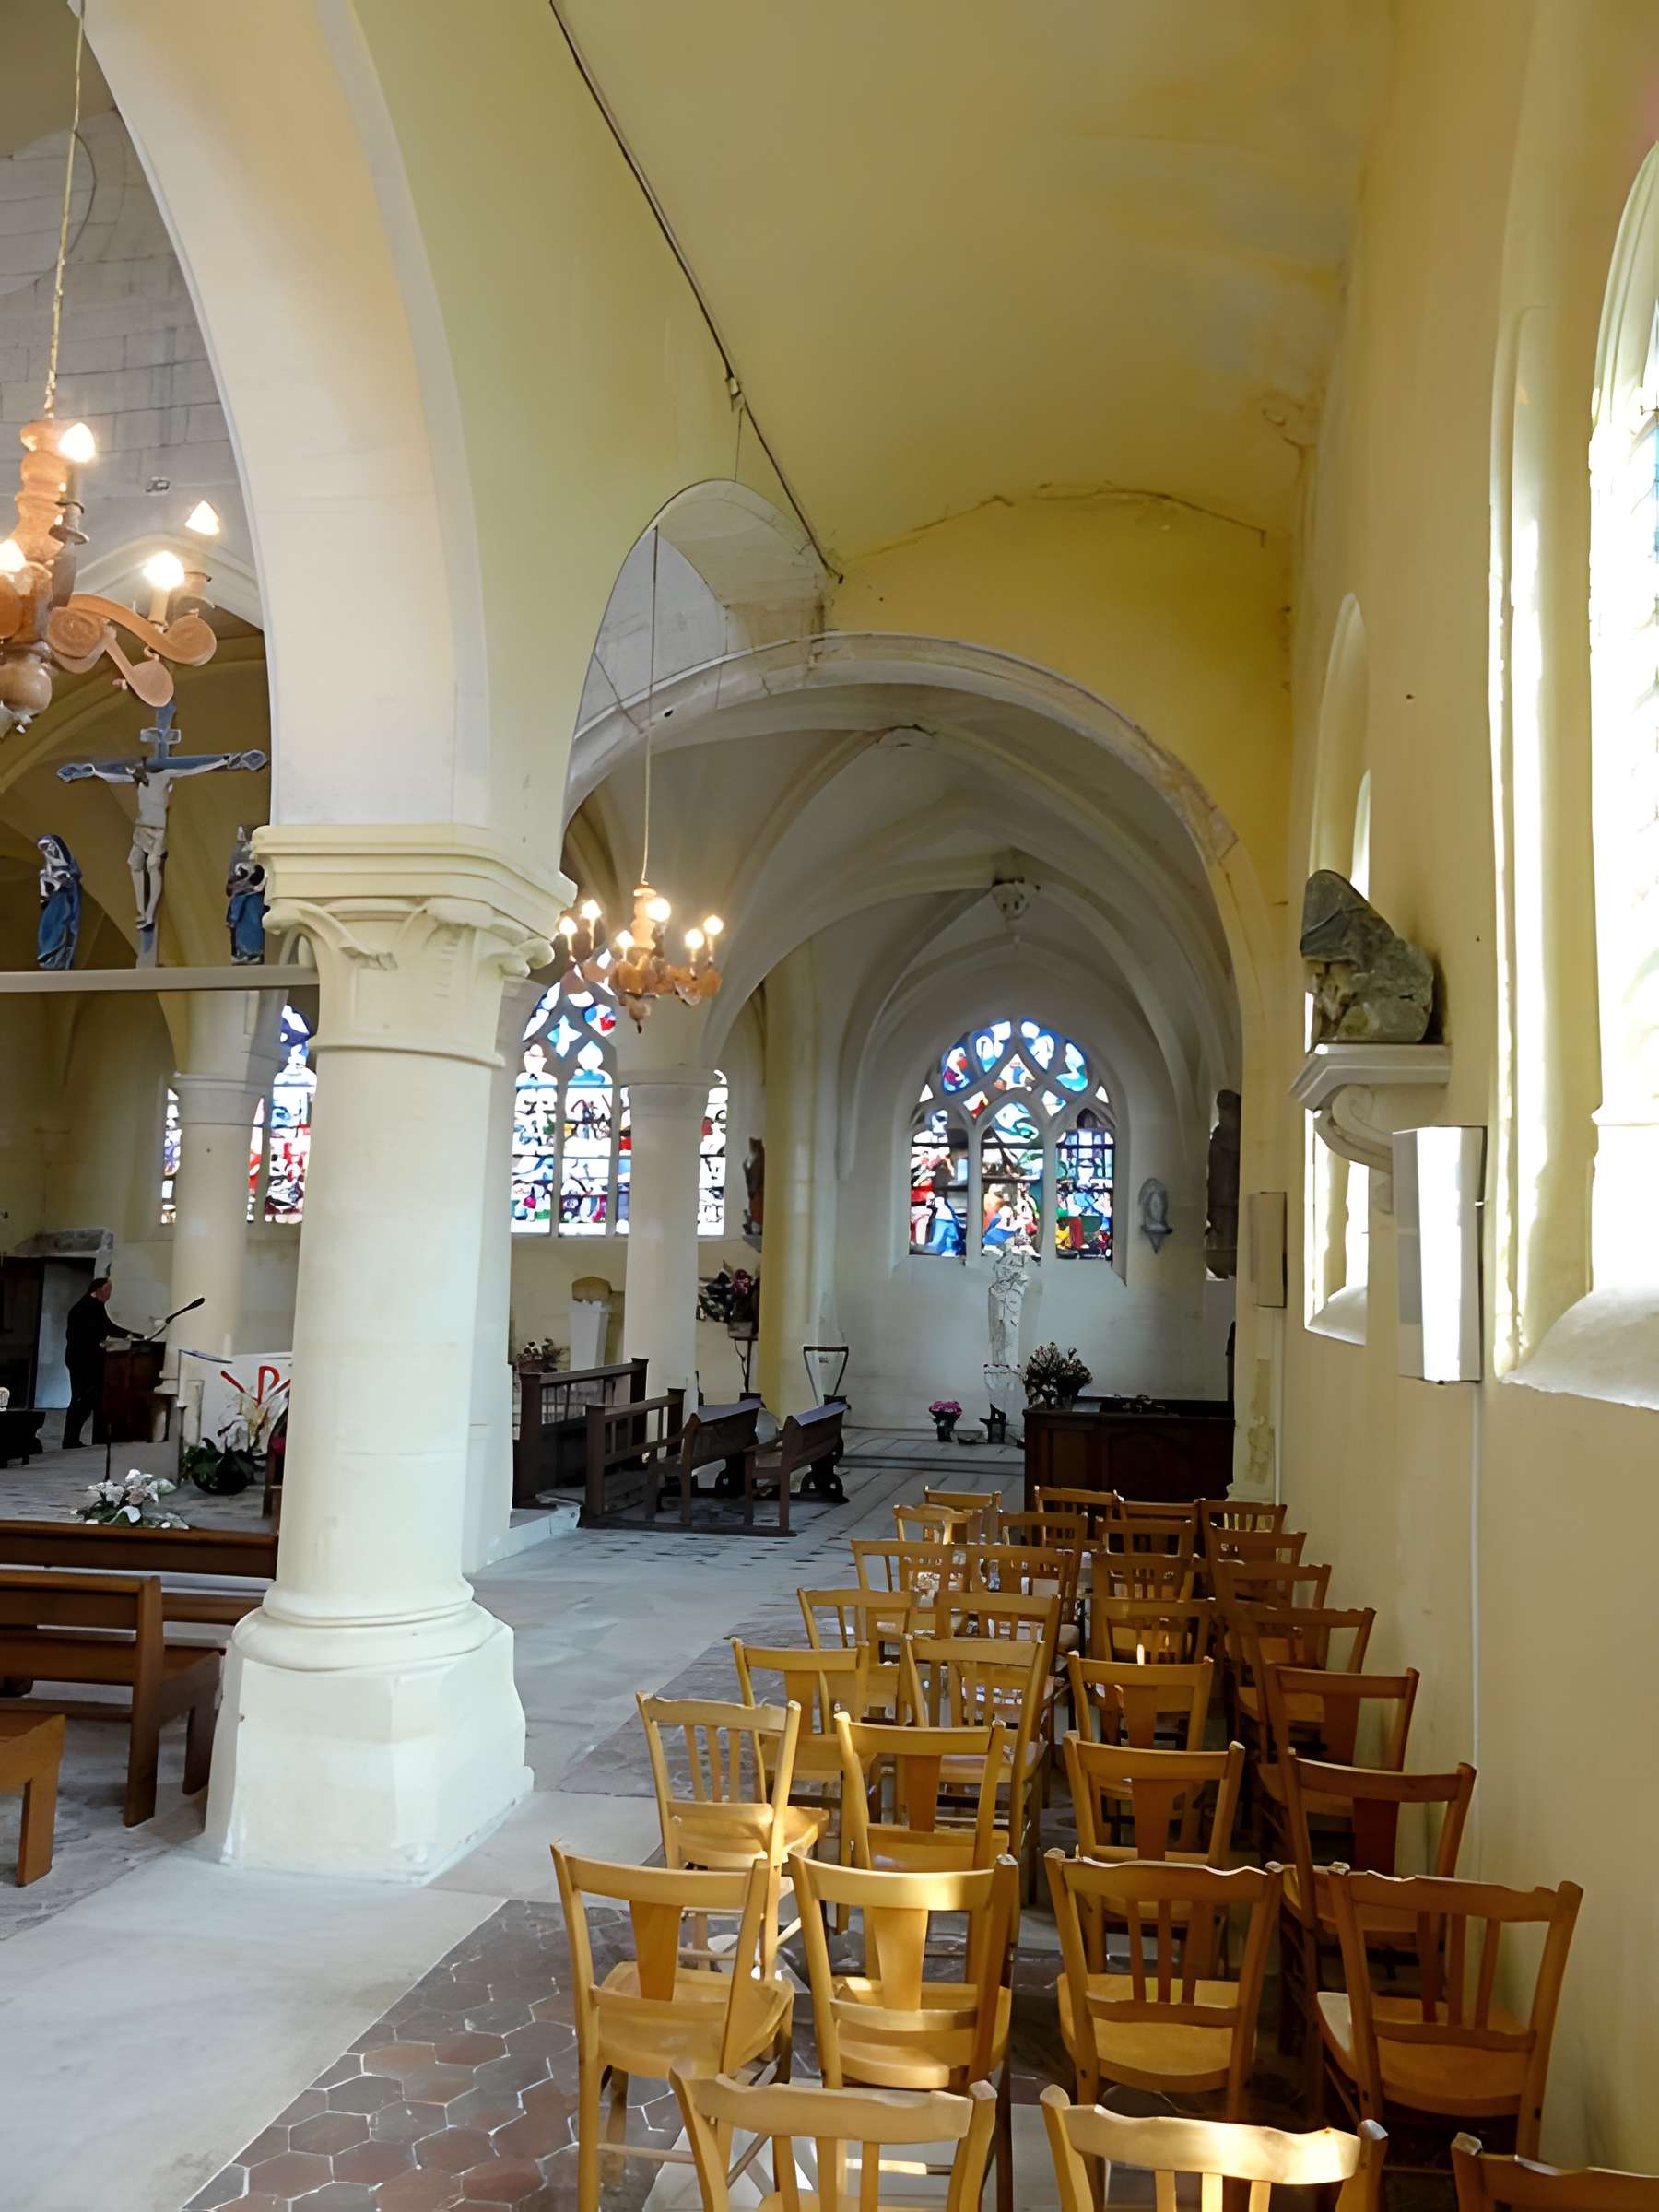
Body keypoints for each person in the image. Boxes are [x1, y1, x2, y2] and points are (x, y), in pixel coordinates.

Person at [63, 1277, 138, 1449]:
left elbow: (105, 1327)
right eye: (107, 1290)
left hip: (84, 1359)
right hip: (83, 1361)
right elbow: (104, 1328)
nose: (109, 1295)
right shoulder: (87, 1307)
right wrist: (128, 1335)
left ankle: (75, 1439)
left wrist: (127, 1334)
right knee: (82, 1399)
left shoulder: (92, 1306)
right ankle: (70, 1440)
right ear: (97, 1290)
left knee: (88, 1399)